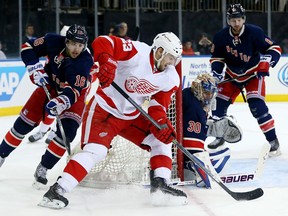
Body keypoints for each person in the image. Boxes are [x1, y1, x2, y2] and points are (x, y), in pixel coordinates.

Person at [38, 32, 188, 209]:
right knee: (96, 151)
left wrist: (161, 123)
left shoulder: (170, 77)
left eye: (175, 59)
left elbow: (158, 106)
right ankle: (57, 190)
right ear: (160, 51)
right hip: (104, 112)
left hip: (131, 116)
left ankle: (160, 185)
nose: (172, 63)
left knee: (161, 140)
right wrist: (106, 60)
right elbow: (103, 41)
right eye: (170, 57)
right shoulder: (137, 53)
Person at [0, 25, 94, 187]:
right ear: (66, 41)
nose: (76, 49)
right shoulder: (53, 41)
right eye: (72, 44)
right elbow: (27, 47)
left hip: (74, 96)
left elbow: (75, 90)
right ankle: (1, 156)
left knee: (67, 133)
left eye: (80, 45)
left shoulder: (84, 61)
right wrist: (33, 67)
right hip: (49, 86)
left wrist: (62, 101)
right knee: (22, 126)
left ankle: (43, 167)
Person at [208, 4, 282, 157]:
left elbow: (275, 48)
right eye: (233, 20)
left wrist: (267, 60)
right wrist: (216, 71)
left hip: (253, 75)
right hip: (231, 75)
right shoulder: (221, 36)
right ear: (229, 20)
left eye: (239, 19)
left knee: (257, 107)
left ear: (244, 19)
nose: (236, 23)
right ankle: (220, 137)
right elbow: (217, 57)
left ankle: (273, 141)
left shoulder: (255, 32)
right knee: (218, 108)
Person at [182, 73, 241, 188]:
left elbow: (186, 126)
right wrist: (199, 164)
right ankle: (190, 167)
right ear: (199, 90)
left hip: (171, 149)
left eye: (211, 93)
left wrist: (208, 126)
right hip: (180, 157)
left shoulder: (188, 94)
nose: (209, 96)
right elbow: (193, 146)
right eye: (207, 93)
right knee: (224, 154)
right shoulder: (196, 109)